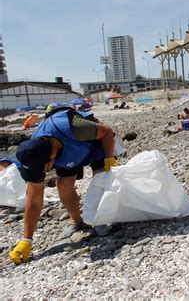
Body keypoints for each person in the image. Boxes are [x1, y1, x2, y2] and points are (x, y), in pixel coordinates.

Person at [8, 107, 119, 264]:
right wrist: (27, 240)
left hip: (93, 145)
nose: (46, 172)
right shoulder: (32, 157)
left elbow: (107, 132)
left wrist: (109, 159)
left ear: (52, 155)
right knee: (63, 184)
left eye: (47, 167)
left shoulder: (73, 127)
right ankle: (78, 221)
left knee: (100, 179)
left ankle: (101, 219)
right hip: (69, 156)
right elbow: (34, 199)